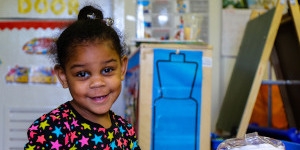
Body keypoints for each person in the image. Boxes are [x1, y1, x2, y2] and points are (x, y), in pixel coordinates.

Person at [24, 5, 140, 150]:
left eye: (107, 70)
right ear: (64, 76)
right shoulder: (52, 129)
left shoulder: (125, 131)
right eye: (82, 74)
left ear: (122, 68)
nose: (97, 83)